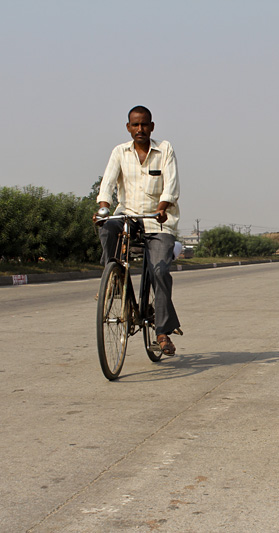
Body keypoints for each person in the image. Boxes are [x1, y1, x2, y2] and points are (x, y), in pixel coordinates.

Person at [95, 105, 181, 355]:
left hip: (158, 220)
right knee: (108, 227)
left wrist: (163, 207)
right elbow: (108, 182)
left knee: (160, 270)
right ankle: (113, 277)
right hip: (128, 216)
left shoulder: (164, 149)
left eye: (144, 124)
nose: (140, 129)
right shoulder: (119, 152)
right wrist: (103, 208)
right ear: (128, 128)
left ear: (151, 126)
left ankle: (162, 332)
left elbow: (171, 185)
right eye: (135, 125)